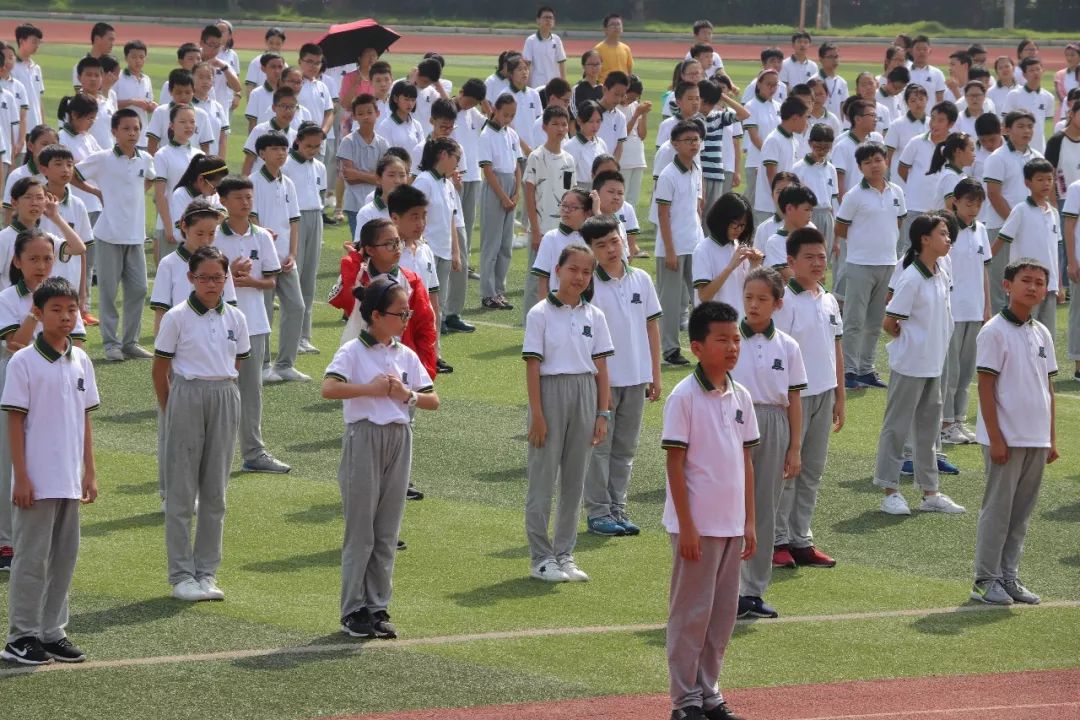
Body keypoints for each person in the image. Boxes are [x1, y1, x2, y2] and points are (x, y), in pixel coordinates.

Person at [323, 275, 438, 639]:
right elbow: (329, 387)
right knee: (361, 529)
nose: (406, 319)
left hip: (399, 437)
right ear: (375, 315)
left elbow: (432, 399)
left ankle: (377, 605)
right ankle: (353, 608)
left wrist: (407, 395)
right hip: (364, 437)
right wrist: (371, 390)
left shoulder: (405, 354)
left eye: (407, 313)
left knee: (387, 529)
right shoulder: (353, 351)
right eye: (399, 313)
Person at [663, 300, 757, 720]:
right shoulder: (683, 396)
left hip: (731, 524)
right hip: (697, 526)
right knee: (691, 614)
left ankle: (710, 692)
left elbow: (746, 461)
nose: (732, 347)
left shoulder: (742, 395)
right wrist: (686, 526)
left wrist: (749, 522)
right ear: (698, 347)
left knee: (721, 617)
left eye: (736, 338)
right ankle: (684, 701)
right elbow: (675, 463)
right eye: (722, 340)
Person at [0, 276, 97, 665]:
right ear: (38, 314)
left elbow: (85, 420)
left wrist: (89, 472)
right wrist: (21, 477)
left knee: (63, 558)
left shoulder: (81, 360)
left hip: (69, 479)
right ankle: (20, 635)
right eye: (56, 310)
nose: (65, 316)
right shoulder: (23, 361)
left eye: (71, 309)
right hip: (36, 483)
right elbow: (14, 423)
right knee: (31, 559)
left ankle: (52, 631)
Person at [152, 245, 247, 602]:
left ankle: (206, 572)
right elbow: (160, 368)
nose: (211, 284)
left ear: (226, 280)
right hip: (187, 395)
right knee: (180, 492)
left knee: (215, 492)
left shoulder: (235, 318)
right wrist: (171, 407)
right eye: (204, 277)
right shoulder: (176, 317)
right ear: (191, 278)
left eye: (217, 277)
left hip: (224, 394)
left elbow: (237, 361)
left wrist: (221, 388)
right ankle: (181, 575)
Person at [0, 230, 88, 574]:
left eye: (47, 259)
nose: (41, 266)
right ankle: (7, 540)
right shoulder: (8, 298)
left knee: (53, 457)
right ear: (17, 262)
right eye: (33, 259)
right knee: (10, 464)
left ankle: (49, 538)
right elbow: (15, 346)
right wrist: (36, 314)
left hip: (58, 390)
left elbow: (76, 346)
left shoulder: (64, 298)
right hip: (14, 386)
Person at [523, 243, 612, 582]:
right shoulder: (540, 313)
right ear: (557, 270)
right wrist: (538, 414)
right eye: (573, 269)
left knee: (575, 481)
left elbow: (601, 367)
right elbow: (533, 366)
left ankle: (565, 554)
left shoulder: (595, 315)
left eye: (586, 272)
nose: (579, 277)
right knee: (543, 481)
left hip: (585, 395)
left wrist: (602, 413)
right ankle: (540, 557)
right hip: (550, 393)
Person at [971, 258, 1058, 605]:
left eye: (1039, 281)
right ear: (1007, 285)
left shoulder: (1042, 332)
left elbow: (1047, 389)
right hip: (1006, 438)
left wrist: (1051, 437)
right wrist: (995, 437)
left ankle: (1008, 576)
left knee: (1020, 514)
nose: (1033, 287)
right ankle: (984, 580)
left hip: (1035, 438)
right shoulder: (994, 331)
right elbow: (985, 387)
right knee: (997, 510)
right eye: (1026, 280)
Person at [875, 214, 966, 515]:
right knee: (897, 429)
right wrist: (912, 343)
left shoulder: (941, 272)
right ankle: (889, 490)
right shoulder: (911, 277)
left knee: (929, 432)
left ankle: (930, 493)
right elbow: (890, 321)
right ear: (924, 239)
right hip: (910, 365)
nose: (948, 238)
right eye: (942, 233)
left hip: (933, 365)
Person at [732, 266, 806, 620]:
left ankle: (753, 591)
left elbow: (793, 399)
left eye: (762, 299)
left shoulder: (788, 346)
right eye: (748, 298)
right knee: (730, 506)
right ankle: (727, 587)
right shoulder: (730, 338)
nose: (754, 305)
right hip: (733, 420)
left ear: (778, 303)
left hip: (773, 424)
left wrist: (794, 448)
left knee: (763, 508)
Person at [578, 216, 659, 538]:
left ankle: (618, 507)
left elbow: (652, 327)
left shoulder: (641, 279)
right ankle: (598, 511)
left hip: (637, 378)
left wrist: (656, 373)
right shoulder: (589, 285)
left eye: (614, 241)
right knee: (600, 448)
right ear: (591, 251)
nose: (611, 249)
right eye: (601, 245)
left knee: (625, 448)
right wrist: (599, 382)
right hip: (604, 380)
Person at [212, 175, 291, 475]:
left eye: (248, 197)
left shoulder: (262, 237)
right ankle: (216, 454)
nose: (245, 203)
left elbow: (271, 280)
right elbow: (200, 279)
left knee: (251, 390)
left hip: (255, 323)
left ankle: (254, 452)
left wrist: (250, 280)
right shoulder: (214, 238)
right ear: (223, 201)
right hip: (219, 324)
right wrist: (229, 274)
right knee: (219, 388)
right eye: (239, 198)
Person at [71, 108, 154, 362]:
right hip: (108, 234)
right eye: (126, 128)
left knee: (139, 289)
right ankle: (110, 343)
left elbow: (150, 180)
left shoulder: (145, 159)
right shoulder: (103, 158)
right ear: (114, 131)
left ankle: (130, 342)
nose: (132, 133)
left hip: (135, 236)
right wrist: (95, 192)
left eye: (136, 128)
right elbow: (74, 174)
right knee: (108, 291)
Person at [835, 142, 906, 389]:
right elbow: (840, 228)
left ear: (886, 161)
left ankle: (866, 369)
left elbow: (898, 221)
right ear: (860, 167)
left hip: (887, 264)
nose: (874, 166)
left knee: (875, 321)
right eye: (868, 162)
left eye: (878, 160)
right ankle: (848, 371)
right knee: (854, 320)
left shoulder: (896, 191)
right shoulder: (854, 195)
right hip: (860, 265)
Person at [250, 131, 306, 384]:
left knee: (296, 306)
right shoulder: (252, 182)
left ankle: (285, 364)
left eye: (284, 148)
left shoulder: (289, 183)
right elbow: (251, 219)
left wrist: (292, 253)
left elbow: (294, 222)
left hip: (285, 259)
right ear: (262, 154)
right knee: (263, 313)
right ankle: (262, 365)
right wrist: (263, 238)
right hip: (262, 260)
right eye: (275, 149)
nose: (281, 153)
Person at [940, 179, 991, 445]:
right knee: (950, 369)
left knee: (967, 371)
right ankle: (945, 422)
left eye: (978, 204)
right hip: (951, 310)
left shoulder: (981, 230)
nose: (973, 209)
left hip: (973, 310)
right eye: (968, 203)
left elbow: (984, 269)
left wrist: (987, 307)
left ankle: (958, 420)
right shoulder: (945, 230)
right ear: (955, 201)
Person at [652, 120, 705, 367]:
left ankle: (704, 343)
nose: (694, 144)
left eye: (696, 140)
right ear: (675, 144)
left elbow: (696, 206)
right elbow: (663, 214)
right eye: (688, 140)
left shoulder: (697, 167)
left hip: (695, 244)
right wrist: (670, 250)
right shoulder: (668, 175)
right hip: (672, 248)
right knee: (671, 302)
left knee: (701, 297)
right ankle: (670, 349)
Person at [994, 158, 1062, 333]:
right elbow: (1002, 239)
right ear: (1027, 183)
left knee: (1047, 333)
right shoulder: (1020, 210)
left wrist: (1059, 284)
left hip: (1049, 284)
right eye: (1040, 179)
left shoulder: (1053, 213)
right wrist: (984, 262)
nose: (1046, 184)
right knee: (1023, 329)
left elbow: (1056, 251)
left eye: (1049, 179)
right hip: (1025, 284)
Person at [524, 105, 576, 320]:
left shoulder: (569, 160)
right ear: (545, 127)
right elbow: (529, 193)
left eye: (564, 124)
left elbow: (571, 195)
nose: (560, 129)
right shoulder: (536, 157)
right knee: (538, 277)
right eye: (555, 124)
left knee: (563, 275)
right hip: (542, 228)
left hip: (563, 230)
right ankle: (532, 321)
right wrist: (535, 230)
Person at [283, 122, 328, 356]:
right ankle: (292, 335)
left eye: (317, 146)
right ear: (298, 141)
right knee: (296, 278)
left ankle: (304, 336)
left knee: (309, 277)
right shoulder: (286, 166)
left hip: (315, 218)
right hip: (295, 220)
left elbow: (319, 195)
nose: (313, 150)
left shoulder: (319, 166)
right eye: (309, 146)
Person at [37, 144, 94, 323]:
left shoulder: (78, 205)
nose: (66, 169)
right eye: (59, 164)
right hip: (40, 281)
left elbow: (83, 251)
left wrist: (83, 293)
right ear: (44, 169)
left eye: (70, 165)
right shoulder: (36, 203)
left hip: (70, 281)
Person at [478, 94, 522, 310]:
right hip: (495, 188)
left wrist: (517, 193)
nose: (508, 119)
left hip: (510, 185)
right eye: (505, 114)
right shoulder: (486, 134)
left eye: (512, 115)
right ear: (495, 109)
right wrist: (504, 197)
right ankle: (488, 293)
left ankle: (499, 290)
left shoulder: (511, 134)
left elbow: (517, 166)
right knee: (491, 244)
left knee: (506, 245)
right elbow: (487, 170)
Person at [151, 104, 203, 265]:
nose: (188, 126)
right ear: (171, 126)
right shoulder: (162, 154)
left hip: (197, 227)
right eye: (182, 122)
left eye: (191, 122)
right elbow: (160, 194)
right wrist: (169, 227)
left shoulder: (200, 155)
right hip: (171, 225)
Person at [692, 192, 761, 309]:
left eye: (743, 225)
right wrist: (730, 267)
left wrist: (754, 266)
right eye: (735, 225)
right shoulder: (703, 250)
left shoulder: (738, 246)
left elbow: (745, 289)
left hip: (737, 319)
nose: (739, 230)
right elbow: (704, 296)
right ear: (722, 220)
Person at [337, 94, 388, 240]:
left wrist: (358, 174)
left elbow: (383, 179)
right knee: (359, 243)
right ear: (354, 117)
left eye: (369, 112)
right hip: (354, 203)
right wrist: (374, 177)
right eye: (360, 113)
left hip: (377, 203)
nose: (365, 117)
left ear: (377, 113)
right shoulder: (348, 142)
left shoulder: (382, 143)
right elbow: (349, 177)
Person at [753, 97, 809, 226]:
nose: (807, 123)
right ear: (795, 118)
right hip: (769, 208)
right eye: (805, 118)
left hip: (785, 206)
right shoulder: (774, 140)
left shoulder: (792, 140)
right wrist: (780, 203)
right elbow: (771, 175)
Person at [530, 188, 590, 301]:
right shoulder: (551, 237)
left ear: (587, 213)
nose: (567, 210)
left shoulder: (593, 238)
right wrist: (544, 310)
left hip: (587, 304)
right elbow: (543, 279)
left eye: (573, 207)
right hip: (559, 303)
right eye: (564, 205)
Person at [792, 124, 838, 259]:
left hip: (827, 216)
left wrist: (836, 237)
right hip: (808, 215)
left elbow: (833, 200)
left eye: (826, 147)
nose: (822, 151)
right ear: (810, 143)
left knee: (824, 257)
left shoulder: (831, 169)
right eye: (818, 146)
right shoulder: (798, 168)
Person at [146, 70, 213, 156]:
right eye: (178, 92)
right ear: (170, 91)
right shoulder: (160, 112)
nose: (183, 96)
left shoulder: (202, 115)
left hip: (194, 164)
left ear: (193, 91)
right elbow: (152, 144)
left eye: (187, 92)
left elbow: (205, 146)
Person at [741, 69, 782, 209]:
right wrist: (770, 154)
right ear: (759, 84)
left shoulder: (778, 107)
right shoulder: (751, 106)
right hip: (756, 161)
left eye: (775, 85)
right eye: (768, 84)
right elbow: (754, 137)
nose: (772, 88)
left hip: (775, 162)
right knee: (751, 202)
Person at [3, 125, 56, 223]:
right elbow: (9, 216)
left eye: (53, 145)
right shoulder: (17, 176)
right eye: (44, 144)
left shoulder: (59, 176)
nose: (50, 149)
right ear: (31, 146)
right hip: (25, 236)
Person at [763, 183, 817, 279]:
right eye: (807, 209)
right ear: (789, 208)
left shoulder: (812, 232)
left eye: (811, 210)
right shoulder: (775, 242)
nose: (810, 214)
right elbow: (790, 277)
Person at [243, 86, 299, 176]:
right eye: (283, 106)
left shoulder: (295, 136)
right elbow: (249, 161)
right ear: (274, 108)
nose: (288, 111)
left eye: (292, 107)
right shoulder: (260, 130)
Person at [1004, 57, 1055, 153]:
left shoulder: (1049, 97)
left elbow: (1048, 125)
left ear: (1043, 71)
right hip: (1017, 148)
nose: (1036, 73)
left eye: (1038, 69)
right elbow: (1005, 121)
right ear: (1024, 74)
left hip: (1040, 149)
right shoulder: (1014, 95)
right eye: (1031, 70)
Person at [884, 84, 929, 183]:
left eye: (921, 99)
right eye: (913, 100)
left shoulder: (932, 124)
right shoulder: (897, 124)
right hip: (900, 180)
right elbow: (888, 154)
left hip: (925, 180)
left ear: (927, 99)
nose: (918, 103)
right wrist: (886, 177)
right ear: (907, 103)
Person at [618, 75, 650, 207]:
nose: (630, 101)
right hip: (623, 159)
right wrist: (636, 114)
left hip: (637, 157)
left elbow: (642, 135)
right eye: (629, 97)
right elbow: (622, 134)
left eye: (634, 98)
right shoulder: (616, 109)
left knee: (633, 199)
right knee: (621, 198)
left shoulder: (635, 106)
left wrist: (644, 113)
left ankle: (630, 227)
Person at [564, 100, 609, 189]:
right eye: (591, 121)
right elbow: (566, 181)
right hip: (580, 191)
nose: (595, 126)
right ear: (579, 121)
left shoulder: (601, 143)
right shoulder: (571, 146)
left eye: (598, 121)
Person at [927, 131, 976, 212]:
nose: (974, 154)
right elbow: (951, 208)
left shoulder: (960, 175)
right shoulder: (950, 176)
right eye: (971, 150)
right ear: (958, 152)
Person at [12, 24, 45, 141]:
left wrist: (43, 125)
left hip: (37, 129)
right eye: (34, 42)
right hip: (19, 129)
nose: (37, 46)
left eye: (38, 43)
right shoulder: (12, 67)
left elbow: (39, 99)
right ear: (22, 41)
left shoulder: (36, 68)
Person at [376, 81, 423, 151]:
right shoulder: (386, 126)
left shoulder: (417, 125)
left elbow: (421, 150)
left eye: (413, 100)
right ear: (395, 99)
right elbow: (385, 155)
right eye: (406, 99)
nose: (410, 104)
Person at [245, 52, 285, 132]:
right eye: (273, 67)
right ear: (263, 68)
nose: (277, 71)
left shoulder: (289, 92)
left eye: (280, 67)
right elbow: (253, 123)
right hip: (264, 140)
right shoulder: (256, 93)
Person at [594, 14, 632, 82]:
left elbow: (629, 71)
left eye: (618, 24)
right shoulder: (598, 49)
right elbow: (594, 72)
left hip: (622, 88)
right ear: (605, 29)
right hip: (605, 88)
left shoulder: (626, 49)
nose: (616, 27)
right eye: (612, 25)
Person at [908, 35, 946, 104]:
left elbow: (940, 101)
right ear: (911, 51)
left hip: (929, 114)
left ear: (929, 51)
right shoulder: (905, 72)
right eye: (918, 49)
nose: (921, 52)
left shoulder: (937, 74)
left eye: (925, 49)